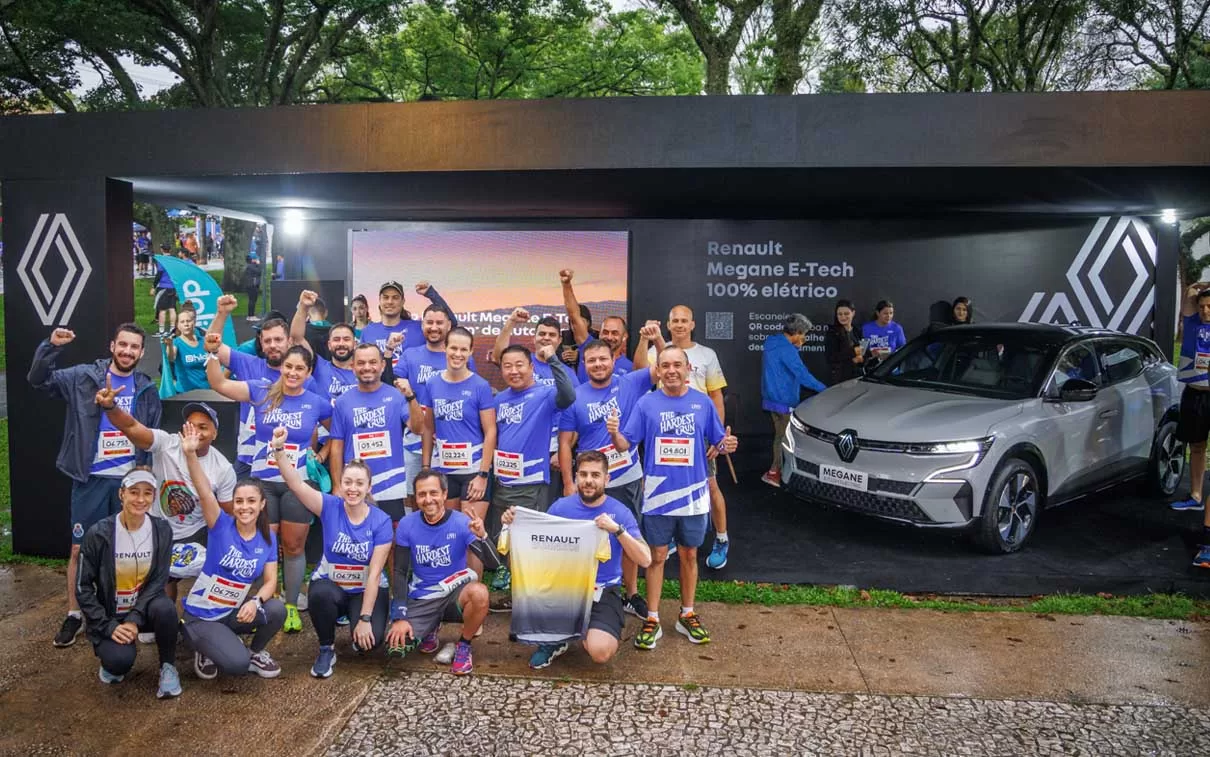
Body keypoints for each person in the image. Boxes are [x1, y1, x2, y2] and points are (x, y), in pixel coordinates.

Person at [29, 324, 162, 648]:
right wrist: (50, 346)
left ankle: (131, 614)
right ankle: (75, 614)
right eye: (123, 345)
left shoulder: (146, 387)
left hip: (128, 482)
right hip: (90, 479)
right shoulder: (84, 377)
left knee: (130, 550)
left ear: (142, 353)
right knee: (79, 549)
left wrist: (144, 473)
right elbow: (38, 380)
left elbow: (151, 433)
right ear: (112, 345)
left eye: (134, 347)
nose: (128, 351)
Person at [607, 345, 737, 651]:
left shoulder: (702, 403)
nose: (671, 371)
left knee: (690, 555)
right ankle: (652, 618)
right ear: (659, 371)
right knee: (657, 557)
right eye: (665, 366)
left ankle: (687, 613)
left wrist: (727, 443)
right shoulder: (647, 404)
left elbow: (720, 441)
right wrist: (613, 433)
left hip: (693, 497)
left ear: (687, 368)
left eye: (677, 365)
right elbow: (625, 445)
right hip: (657, 496)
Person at [206, 339, 331, 632]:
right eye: (288, 366)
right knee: (267, 543)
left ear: (309, 372)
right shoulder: (261, 391)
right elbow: (218, 384)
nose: (293, 372)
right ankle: (268, 599)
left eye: (300, 368)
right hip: (263, 483)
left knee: (293, 545)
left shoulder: (315, 401)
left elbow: (336, 430)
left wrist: (322, 453)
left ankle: (290, 605)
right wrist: (213, 353)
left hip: (297, 485)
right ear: (282, 367)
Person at [507, 450, 653, 670]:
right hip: (564, 588)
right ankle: (556, 641)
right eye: (583, 474)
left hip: (602, 590)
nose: (588, 481)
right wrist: (514, 522)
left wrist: (618, 531)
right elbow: (538, 545)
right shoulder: (560, 507)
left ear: (607, 478)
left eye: (595, 475)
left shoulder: (619, 512)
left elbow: (646, 559)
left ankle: (582, 628)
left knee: (600, 651)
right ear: (575, 477)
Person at [272, 427, 393, 678]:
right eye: (348, 482)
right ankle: (326, 648)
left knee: (370, 643)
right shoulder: (329, 506)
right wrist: (279, 450)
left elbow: (374, 575)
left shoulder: (381, 521)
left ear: (368, 487)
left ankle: (356, 619)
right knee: (319, 593)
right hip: (332, 587)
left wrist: (366, 619)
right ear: (341, 484)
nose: (352, 488)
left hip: (364, 590)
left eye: (359, 483)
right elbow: (294, 483)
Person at [95, 388, 235, 602]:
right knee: (161, 585)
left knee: (214, 575)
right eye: (190, 425)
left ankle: (201, 620)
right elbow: (131, 427)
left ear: (215, 433)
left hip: (197, 532)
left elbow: (227, 513)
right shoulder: (166, 444)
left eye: (203, 427)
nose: (195, 431)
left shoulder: (222, 468)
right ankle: (165, 619)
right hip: (159, 527)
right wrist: (111, 407)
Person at [558, 340, 654, 617]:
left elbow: (659, 370)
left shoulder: (631, 382)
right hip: (590, 482)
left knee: (628, 534)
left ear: (614, 360)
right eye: (591, 361)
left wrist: (652, 338)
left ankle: (632, 593)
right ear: (584, 365)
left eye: (603, 359)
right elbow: (565, 444)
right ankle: (588, 590)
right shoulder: (575, 397)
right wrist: (568, 482)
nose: (598, 364)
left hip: (626, 476)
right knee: (587, 538)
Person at [180, 426, 285, 680]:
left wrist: (255, 601)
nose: (244, 507)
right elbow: (205, 491)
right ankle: (202, 646)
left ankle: (255, 651)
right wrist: (191, 455)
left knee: (276, 610)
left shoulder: (268, 538)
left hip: (232, 612)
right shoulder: (220, 524)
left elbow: (271, 582)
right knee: (236, 666)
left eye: (251, 501)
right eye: (239, 501)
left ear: (262, 505)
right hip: (202, 615)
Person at [634, 306, 732, 570]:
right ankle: (673, 539)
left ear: (692, 324)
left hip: (697, 433)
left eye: (684, 321)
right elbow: (639, 371)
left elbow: (716, 397)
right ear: (668, 324)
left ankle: (722, 539)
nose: (679, 325)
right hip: (665, 432)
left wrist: (716, 438)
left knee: (710, 488)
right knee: (661, 487)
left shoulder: (706, 355)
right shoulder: (659, 352)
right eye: (674, 320)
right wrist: (645, 338)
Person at [76, 468, 181, 698]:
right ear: (121, 494)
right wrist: (107, 626)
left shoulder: (162, 530)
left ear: (154, 497)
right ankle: (112, 661)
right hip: (110, 615)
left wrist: (134, 619)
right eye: (134, 492)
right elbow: (82, 587)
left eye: (147, 493)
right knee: (119, 663)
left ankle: (168, 667)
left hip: (144, 611)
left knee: (166, 608)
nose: (140, 499)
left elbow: (158, 579)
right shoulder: (99, 533)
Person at [385, 469, 491, 676]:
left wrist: (483, 536)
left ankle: (464, 645)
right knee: (396, 648)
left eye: (434, 493)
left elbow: (493, 562)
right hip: (423, 596)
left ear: (444, 494)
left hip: (454, 595)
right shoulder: (407, 524)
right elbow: (399, 571)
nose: (428, 499)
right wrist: (399, 615)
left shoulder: (461, 522)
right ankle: (430, 628)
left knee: (479, 593)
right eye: (422, 494)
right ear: (415, 498)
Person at [488, 343, 576, 590]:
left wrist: (554, 361)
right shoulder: (500, 399)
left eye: (519, 365)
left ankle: (532, 596)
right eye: (507, 366)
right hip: (503, 481)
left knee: (529, 541)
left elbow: (569, 395)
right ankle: (514, 590)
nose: (514, 371)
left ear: (531, 367)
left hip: (531, 483)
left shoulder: (544, 395)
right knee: (506, 535)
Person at [206, 295, 302, 479]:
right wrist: (222, 314)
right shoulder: (248, 364)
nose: (272, 345)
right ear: (261, 343)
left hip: (289, 459)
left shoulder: (302, 375)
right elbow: (212, 346)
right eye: (267, 341)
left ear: (289, 341)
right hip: (248, 459)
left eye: (278, 340)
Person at [418, 327, 496, 551]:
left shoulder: (479, 385)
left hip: (473, 471)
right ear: (445, 348)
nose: (458, 354)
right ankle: (453, 584)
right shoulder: (432, 384)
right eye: (454, 348)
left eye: (464, 349)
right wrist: (426, 468)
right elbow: (427, 427)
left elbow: (490, 431)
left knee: (471, 533)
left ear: (471, 352)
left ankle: (473, 586)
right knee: (448, 533)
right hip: (443, 470)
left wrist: (483, 474)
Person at [492, 308, 581, 503]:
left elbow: (573, 414)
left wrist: (562, 451)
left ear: (559, 340)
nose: (546, 338)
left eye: (551, 335)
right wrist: (511, 323)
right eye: (542, 334)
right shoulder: (523, 361)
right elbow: (500, 356)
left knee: (548, 505)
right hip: (522, 449)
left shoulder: (567, 374)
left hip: (555, 450)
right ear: (534, 338)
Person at [330, 343, 425, 522]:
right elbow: (336, 447)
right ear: (353, 367)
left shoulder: (396, 396)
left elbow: (418, 429)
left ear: (382, 365)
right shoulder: (342, 402)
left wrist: (411, 397)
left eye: (373, 362)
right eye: (361, 363)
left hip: (391, 482)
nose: (367, 367)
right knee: (357, 539)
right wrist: (337, 486)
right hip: (355, 484)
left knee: (391, 539)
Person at [398, 304, 474, 514]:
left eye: (439, 322)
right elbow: (396, 387)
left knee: (445, 498)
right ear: (422, 325)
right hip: (414, 439)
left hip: (451, 443)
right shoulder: (410, 355)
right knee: (414, 495)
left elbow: (469, 395)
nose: (434, 327)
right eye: (429, 322)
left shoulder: (460, 356)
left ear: (449, 325)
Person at [760, 314, 828, 488]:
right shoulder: (788, 350)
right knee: (784, 439)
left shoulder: (771, 341)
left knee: (779, 436)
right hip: (785, 399)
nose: (804, 337)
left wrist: (796, 347)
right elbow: (802, 375)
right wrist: (825, 390)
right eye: (803, 334)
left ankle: (776, 471)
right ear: (797, 332)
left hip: (770, 397)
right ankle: (774, 473)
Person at [1172, 283, 1210, 568]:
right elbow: (1187, 304)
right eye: (1202, 306)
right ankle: (1196, 495)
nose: (1205, 310)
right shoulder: (1193, 321)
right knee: (1196, 446)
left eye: (1209, 307)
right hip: (1194, 395)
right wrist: (1194, 291)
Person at [361, 280, 457, 370]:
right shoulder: (368, 331)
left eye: (395, 297)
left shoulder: (418, 328)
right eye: (385, 297)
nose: (390, 302)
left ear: (403, 301)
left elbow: (451, 323)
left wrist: (431, 293)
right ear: (380, 300)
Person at [559, 268, 632, 383]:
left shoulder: (629, 367)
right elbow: (574, 316)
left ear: (624, 336)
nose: (609, 337)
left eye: (615, 333)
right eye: (605, 332)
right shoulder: (588, 346)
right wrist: (566, 284)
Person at [292, 290, 356, 399]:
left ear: (355, 344)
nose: (341, 343)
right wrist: (303, 307)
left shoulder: (364, 371)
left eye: (346, 339)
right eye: (336, 339)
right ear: (329, 344)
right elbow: (296, 338)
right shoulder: (319, 367)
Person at [163, 306, 209, 392]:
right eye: (182, 322)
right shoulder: (176, 342)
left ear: (194, 323)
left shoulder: (203, 340)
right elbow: (171, 358)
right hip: (186, 391)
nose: (186, 324)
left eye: (188, 321)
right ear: (178, 325)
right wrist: (169, 345)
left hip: (207, 389)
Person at [825, 299, 864, 385]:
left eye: (846, 314)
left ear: (853, 313)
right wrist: (853, 354)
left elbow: (862, 352)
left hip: (859, 377)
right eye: (840, 314)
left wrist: (870, 355)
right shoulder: (832, 333)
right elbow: (831, 358)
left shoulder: (858, 330)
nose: (843, 317)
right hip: (840, 379)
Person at [150, 254, 177, 338]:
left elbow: (159, 274)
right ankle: (172, 330)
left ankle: (162, 331)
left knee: (162, 310)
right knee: (172, 308)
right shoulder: (174, 261)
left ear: (162, 250)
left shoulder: (162, 261)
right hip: (173, 287)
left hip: (163, 287)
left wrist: (154, 286)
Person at [242, 255, 262, 321]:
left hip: (249, 285)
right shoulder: (251, 266)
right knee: (253, 300)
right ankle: (251, 316)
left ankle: (250, 315)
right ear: (252, 260)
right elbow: (259, 272)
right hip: (253, 285)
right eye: (255, 259)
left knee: (251, 300)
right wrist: (259, 264)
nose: (256, 260)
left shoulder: (248, 266)